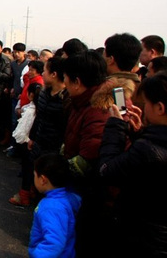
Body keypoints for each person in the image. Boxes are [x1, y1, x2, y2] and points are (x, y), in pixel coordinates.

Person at [99, 72, 167, 256]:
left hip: (143, 237)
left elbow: (107, 171)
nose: (143, 107)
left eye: (146, 103)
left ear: (160, 108)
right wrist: (139, 134)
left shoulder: (148, 150)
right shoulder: (151, 144)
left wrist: (115, 126)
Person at [62, 50, 112, 256]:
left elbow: (88, 159)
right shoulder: (84, 100)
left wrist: (57, 170)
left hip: (90, 193)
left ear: (77, 81)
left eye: (65, 78)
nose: (64, 84)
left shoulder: (97, 109)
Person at [28, 153, 81, 258]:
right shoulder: (71, 198)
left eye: (34, 175)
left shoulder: (50, 207)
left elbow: (54, 243)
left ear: (43, 180)